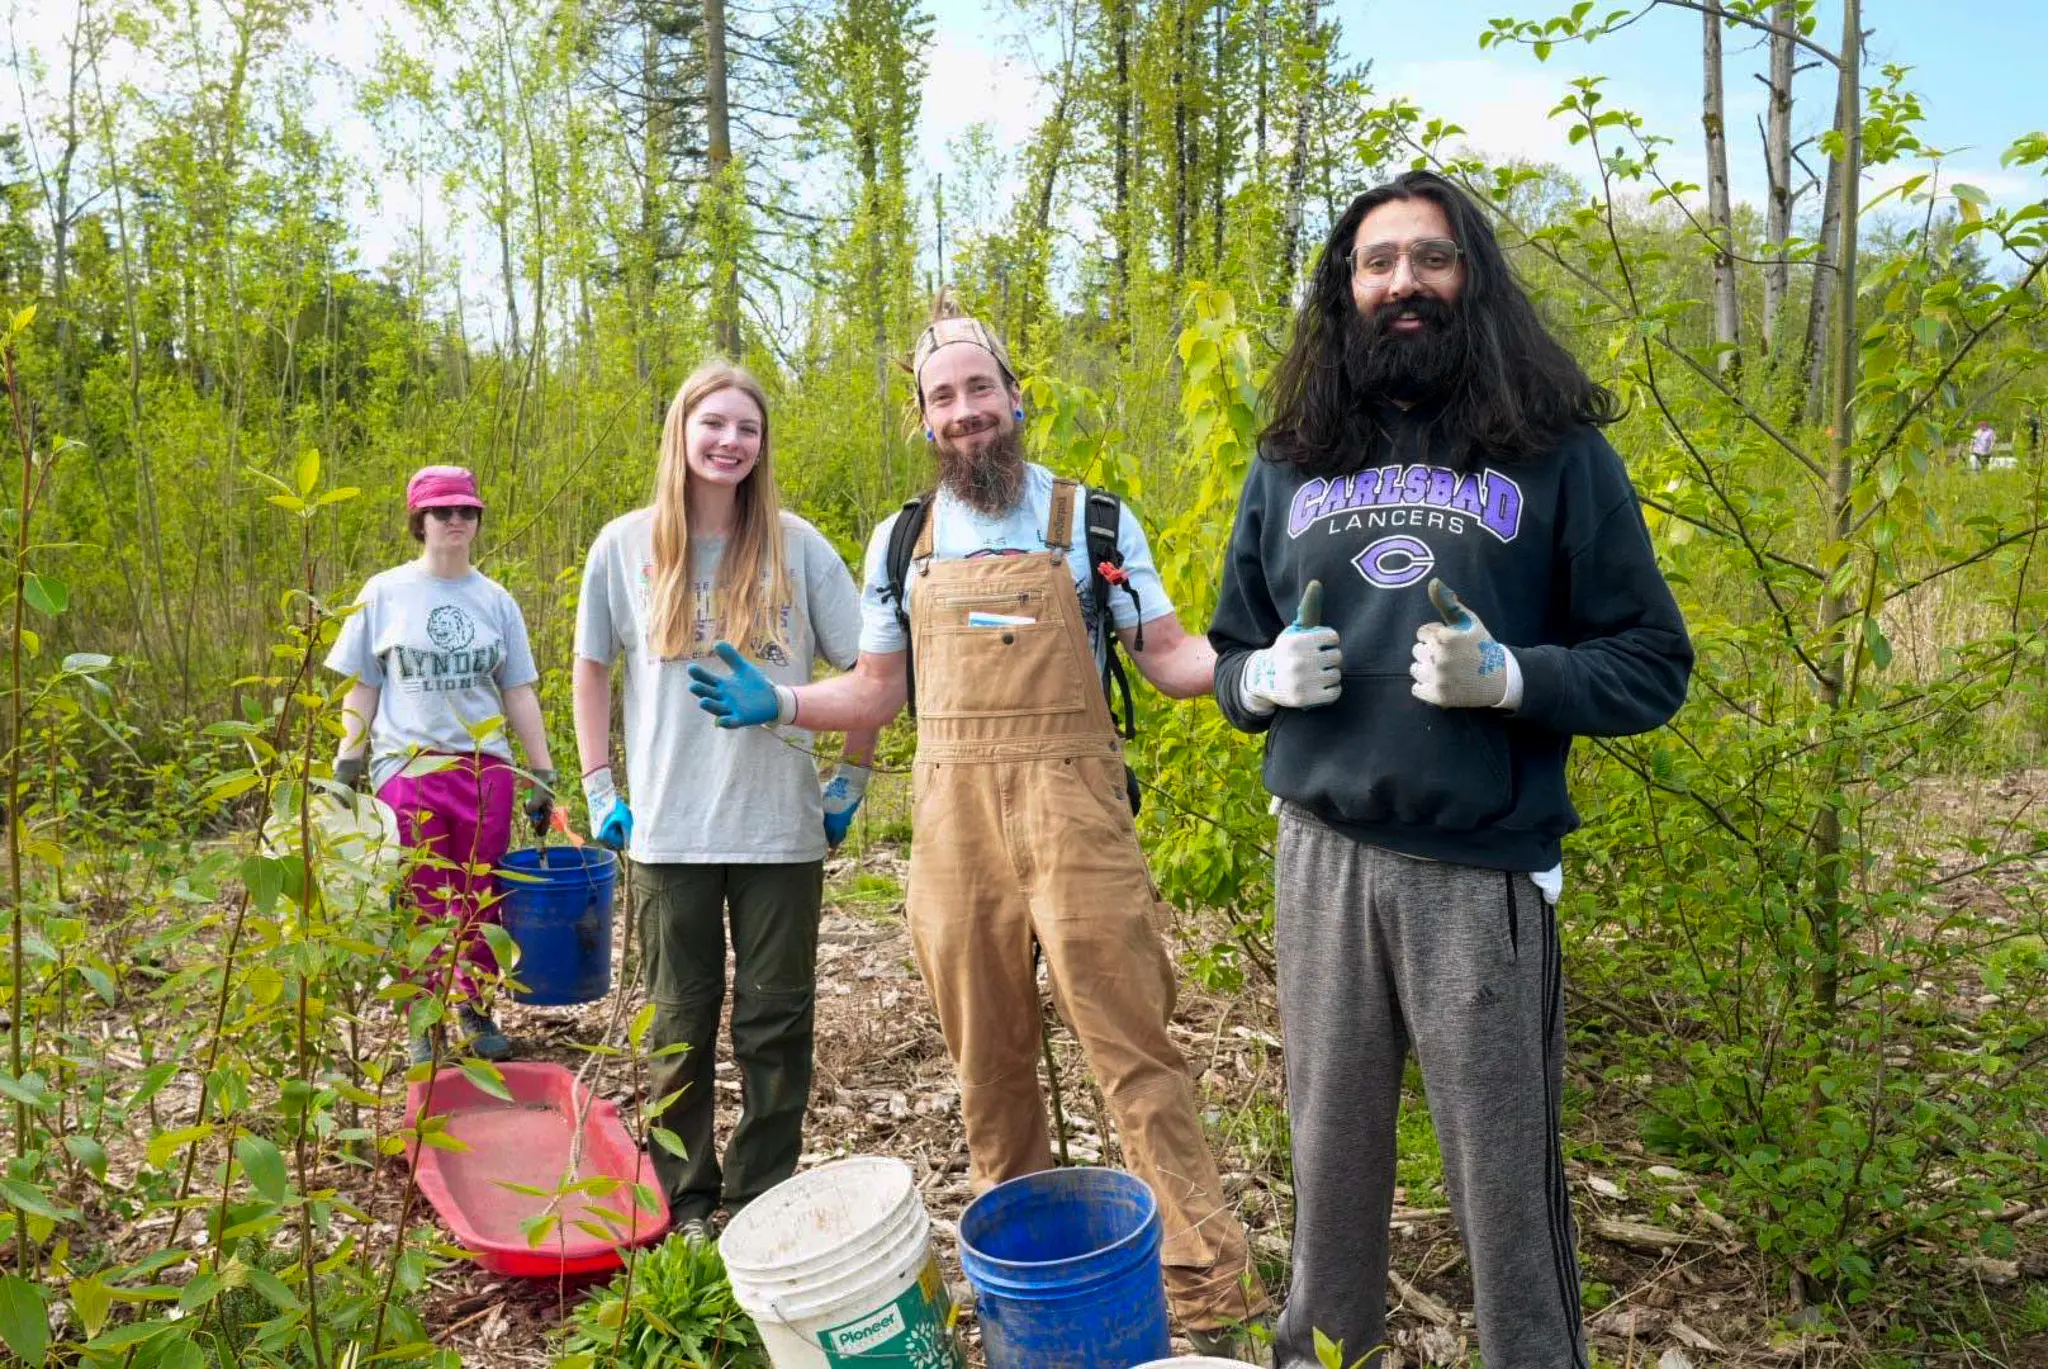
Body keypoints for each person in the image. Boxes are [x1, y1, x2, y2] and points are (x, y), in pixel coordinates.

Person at [686, 307, 1268, 1347]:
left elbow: (1170, 655)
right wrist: (779, 702)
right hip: (952, 821)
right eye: (941, 397)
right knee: (986, 1060)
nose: (964, 413)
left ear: (1014, 397)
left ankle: (1205, 1287)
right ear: (924, 416)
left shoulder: (1090, 521)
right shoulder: (902, 538)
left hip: (1075, 812)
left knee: (1132, 1043)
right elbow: (872, 691)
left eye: (978, 390)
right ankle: (1030, 1288)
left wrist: (1251, 675)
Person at [1208, 170, 1693, 1367]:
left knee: (1502, 1191)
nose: (1400, 284)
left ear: (1469, 276)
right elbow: (1225, 650)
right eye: (1375, 264)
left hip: (1477, 876)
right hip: (1318, 861)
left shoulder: (1554, 453)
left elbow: (1650, 662)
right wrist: (1259, 682)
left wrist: (1516, 679)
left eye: (1427, 258)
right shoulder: (1291, 455)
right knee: (1328, 1171)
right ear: (1343, 290)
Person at [572, 361, 877, 1244]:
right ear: (681, 430)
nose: (729, 441)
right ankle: (691, 1198)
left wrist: (849, 781)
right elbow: (591, 669)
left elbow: (872, 672)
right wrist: (601, 787)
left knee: (775, 1022)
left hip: (781, 829)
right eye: (713, 424)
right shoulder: (624, 546)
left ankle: (761, 1193)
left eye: (746, 427)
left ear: (763, 442)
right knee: (679, 1022)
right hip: (668, 829)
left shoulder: (798, 546)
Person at [328, 465, 557, 1065]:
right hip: (408, 765)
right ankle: (422, 1018)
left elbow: (518, 691)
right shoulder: (383, 593)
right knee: (420, 894)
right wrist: (347, 762)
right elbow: (362, 685)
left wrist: (543, 771)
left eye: (466, 512)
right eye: (442, 512)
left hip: (485, 769)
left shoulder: (496, 600)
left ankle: (475, 1005)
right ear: (419, 521)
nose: (455, 522)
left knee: (482, 891)